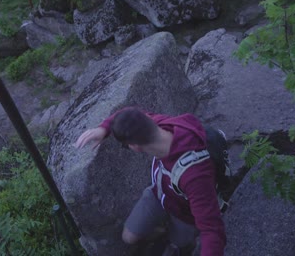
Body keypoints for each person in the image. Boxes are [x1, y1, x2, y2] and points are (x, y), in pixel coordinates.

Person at [74, 107, 226, 256]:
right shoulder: (160, 125)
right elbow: (128, 113)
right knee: (128, 237)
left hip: (185, 214)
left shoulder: (195, 176)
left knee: (178, 243)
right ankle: (165, 232)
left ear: (135, 147)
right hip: (160, 192)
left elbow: (212, 230)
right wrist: (104, 128)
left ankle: (178, 242)